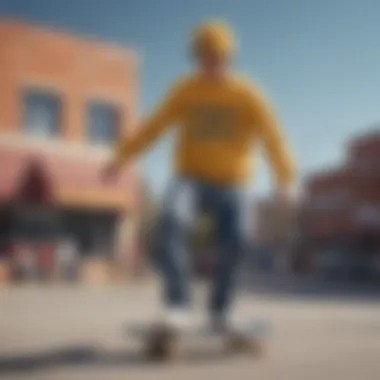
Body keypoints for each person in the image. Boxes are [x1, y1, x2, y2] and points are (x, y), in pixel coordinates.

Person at [102, 20, 296, 333]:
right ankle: (177, 306)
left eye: (218, 57)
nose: (211, 64)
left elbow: (273, 136)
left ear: (229, 57)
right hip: (190, 177)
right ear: (197, 57)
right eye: (204, 57)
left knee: (239, 238)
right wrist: (122, 157)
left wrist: (284, 179)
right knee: (172, 220)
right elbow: (154, 126)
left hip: (233, 181)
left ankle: (220, 309)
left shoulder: (247, 94)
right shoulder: (186, 90)